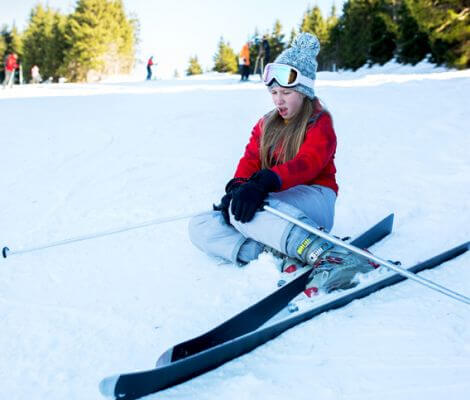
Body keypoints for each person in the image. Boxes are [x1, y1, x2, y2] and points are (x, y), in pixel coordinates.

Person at [189, 33, 375, 301]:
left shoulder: (318, 122)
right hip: (276, 206)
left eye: (286, 92)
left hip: (314, 200)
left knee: (258, 209)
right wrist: (239, 189)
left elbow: (307, 164)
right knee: (202, 224)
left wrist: (264, 183)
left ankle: (332, 256)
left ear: (304, 91)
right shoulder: (265, 124)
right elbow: (250, 158)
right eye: (274, 92)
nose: (278, 100)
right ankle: (274, 252)